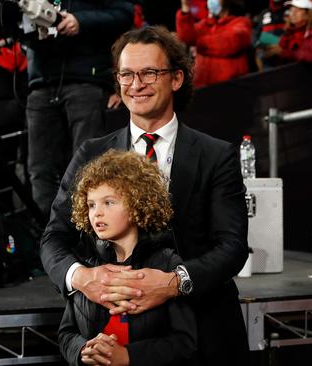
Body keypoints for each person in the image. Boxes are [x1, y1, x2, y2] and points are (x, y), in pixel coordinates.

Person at [40, 25, 250, 365]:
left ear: (177, 78)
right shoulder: (90, 154)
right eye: (126, 74)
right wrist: (83, 278)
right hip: (110, 342)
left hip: (204, 339)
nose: (136, 85)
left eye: (149, 72)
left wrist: (172, 283)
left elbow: (231, 246)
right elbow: (54, 238)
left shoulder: (216, 155)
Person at [59, 150, 196, 366]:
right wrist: (82, 350)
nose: (97, 213)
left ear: (137, 204)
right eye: (91, 204)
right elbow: (67, 333)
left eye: (109, 202)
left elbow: (184, 342)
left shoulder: (166, 264)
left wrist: (129, 356)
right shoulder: (86, 265)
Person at [25, 0, 134, 219]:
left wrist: (81, 21)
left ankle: (88, 235)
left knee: (88, 165)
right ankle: (48, 238)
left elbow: (125, 13)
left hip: (86, 80)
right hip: (41, 81)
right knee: (39, 169)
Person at [176, 0, 252, 87]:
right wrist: (185, 7)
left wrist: (198, 43)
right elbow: (186, 37)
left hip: (230, 88)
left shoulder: (241, 22)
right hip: (202, 88)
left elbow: (229, 43)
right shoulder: (205, 24)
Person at [263, 0, 312, 64]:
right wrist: (274, 52)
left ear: (308, 14)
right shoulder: (289, 33)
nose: (293, 13)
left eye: (298, 10)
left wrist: (284, 52)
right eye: (291, 10)